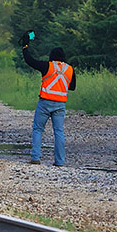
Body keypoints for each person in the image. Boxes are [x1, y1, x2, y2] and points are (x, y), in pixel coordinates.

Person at [22, 35, 76, 166]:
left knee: (38, 129)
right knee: (59, 132)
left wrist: (25, 47)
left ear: (51, 56)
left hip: (45, 103)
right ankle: (60, 161)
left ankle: (35, 158)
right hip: (60, 104)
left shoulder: (47, 66)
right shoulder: (69, 69)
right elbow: (72, 87)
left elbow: (30, 60)